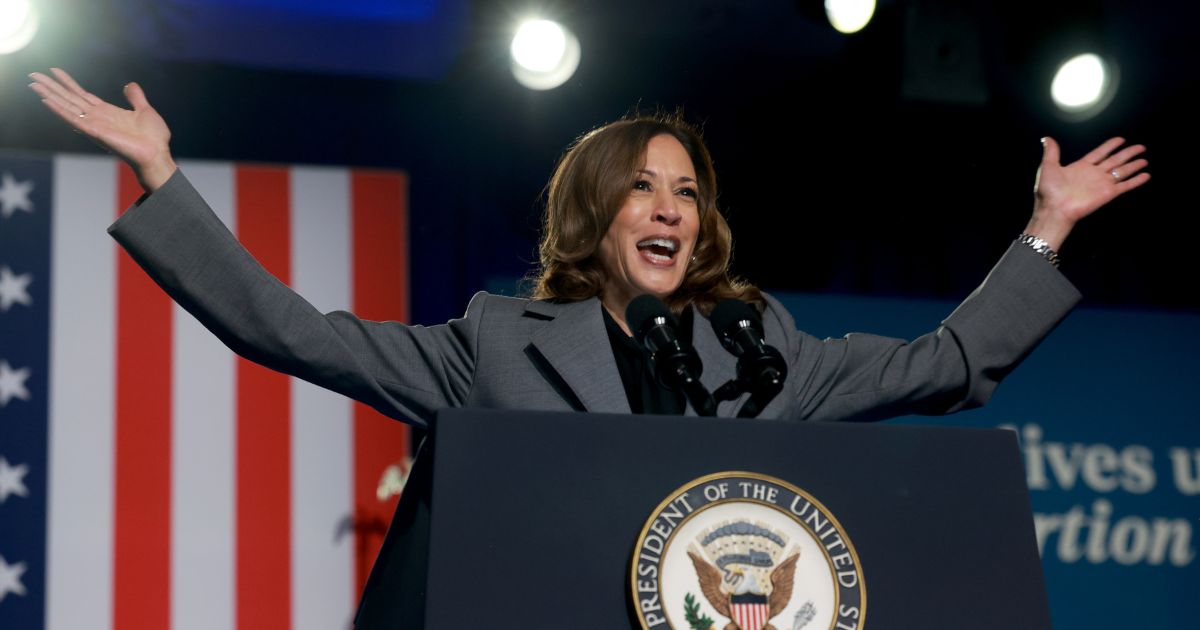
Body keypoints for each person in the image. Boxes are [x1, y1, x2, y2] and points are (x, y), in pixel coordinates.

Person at [29, 68, 1149, 626]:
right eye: (642, 190)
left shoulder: (770, 350)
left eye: (687, 192)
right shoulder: (493, 346)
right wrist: (164, 181)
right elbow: (293, 331)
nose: (669, 208)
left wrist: (1046, 228)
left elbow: (943, 365)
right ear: (596, 216)